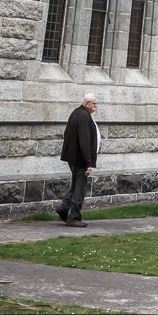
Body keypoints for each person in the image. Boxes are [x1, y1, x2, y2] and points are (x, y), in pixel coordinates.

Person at [57, 92, 100, 227]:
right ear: (87, 104)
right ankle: (74, 217)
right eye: (94, 103)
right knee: (80, 188)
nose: (96, 106)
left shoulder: (78, 113)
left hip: (75, 157)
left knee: (76, 185)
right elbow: (84, 140)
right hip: (80, 159)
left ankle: (64, 208)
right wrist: (88, 162)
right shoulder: (83, 115)